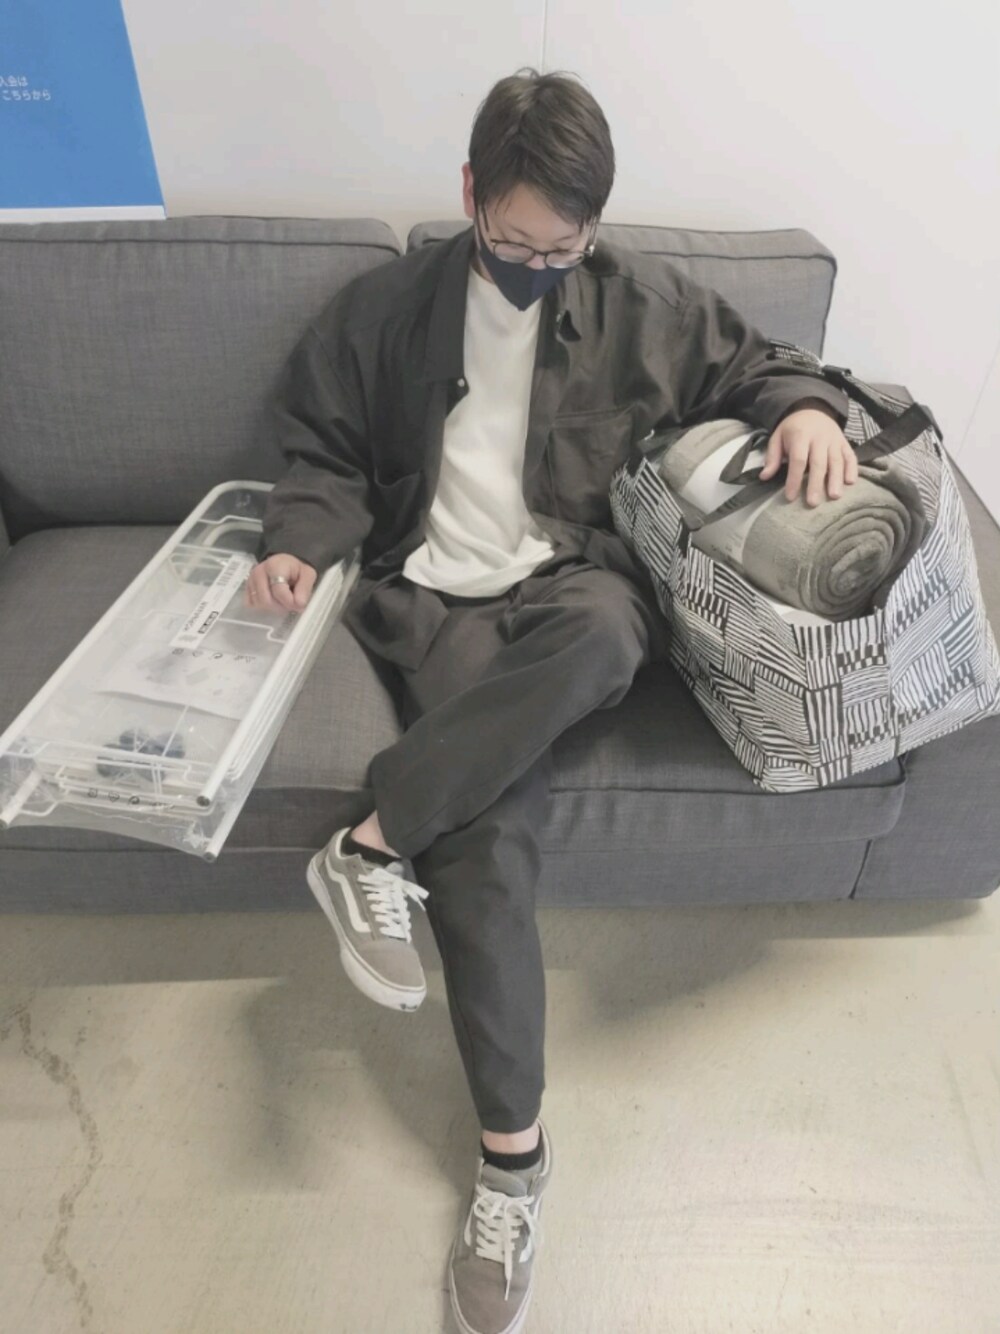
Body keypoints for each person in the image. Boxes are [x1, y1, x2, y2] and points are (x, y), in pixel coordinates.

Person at [243, 67, 856, 1333]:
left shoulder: (641, 302)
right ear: (472, 192)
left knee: (612, 633)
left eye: (559, 249)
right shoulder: (384, 311)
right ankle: (513, 1163)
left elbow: (760, 363)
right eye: (512, 242)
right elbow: (322, 449)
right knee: (488, 839)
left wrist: (805, 409)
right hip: (437, 600)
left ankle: (372, 839)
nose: (534, 268)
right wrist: (299, 539)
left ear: (592, 227)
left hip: (569, 584)